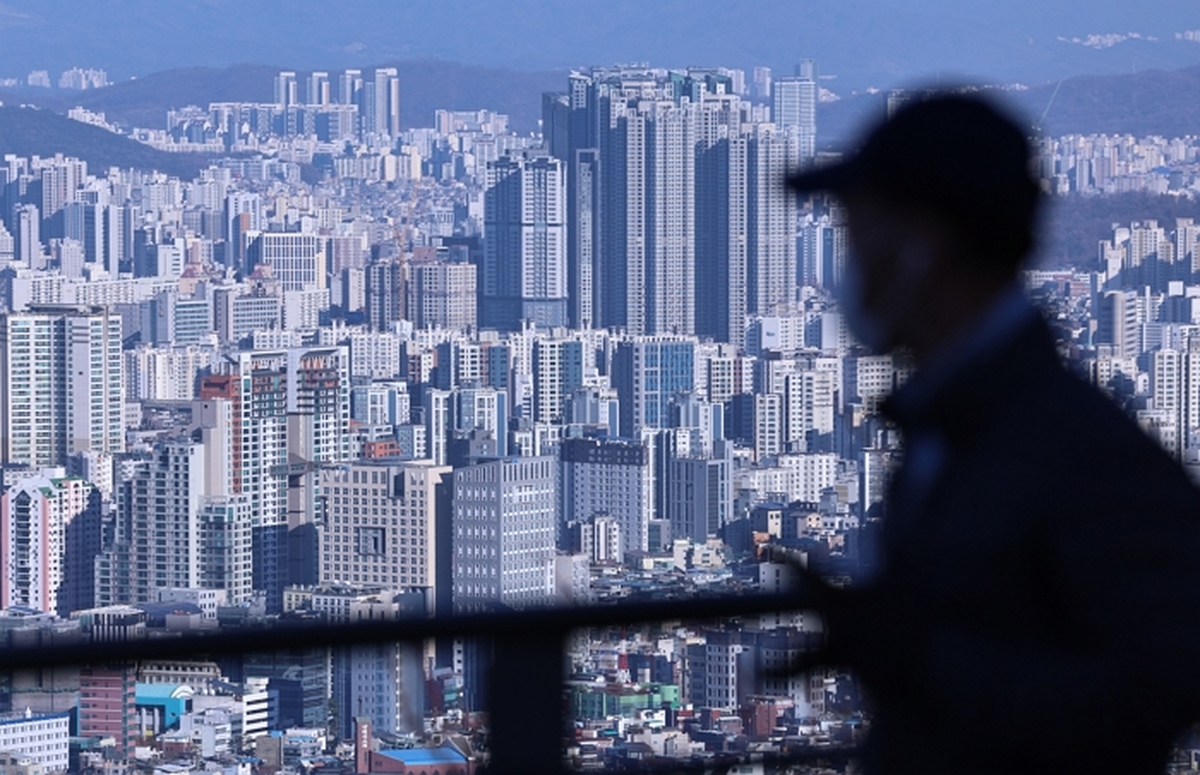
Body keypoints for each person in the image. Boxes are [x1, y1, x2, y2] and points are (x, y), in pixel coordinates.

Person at [785, 92, 1200, 774]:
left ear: (922, 247)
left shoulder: (1077, 451)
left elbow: (1159, 687)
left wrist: (920, 657)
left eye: (857, 232)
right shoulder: (957, 424)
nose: (849, 263)